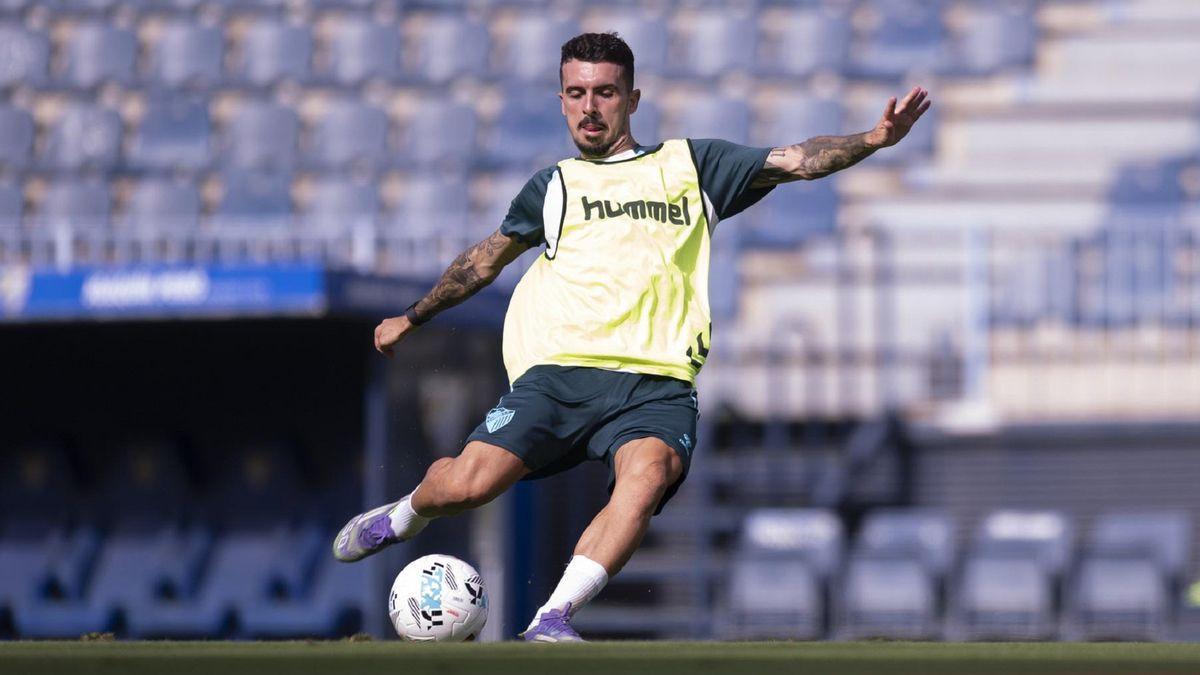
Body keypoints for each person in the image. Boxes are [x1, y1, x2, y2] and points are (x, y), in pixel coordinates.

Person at [334, 32, 931, 642]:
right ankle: (405, 515)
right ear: (562, 101)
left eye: (604, 93)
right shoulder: (554, 186)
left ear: (632, 99)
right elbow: (483, 262)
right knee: (466, 486)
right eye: (576, 94)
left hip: (658, 382)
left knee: (647, 476)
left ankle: (552, 619)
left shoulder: (691, 166)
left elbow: (797, 159)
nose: (589, 107)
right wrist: (413, 316)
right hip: (560, 373)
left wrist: (873, 140)